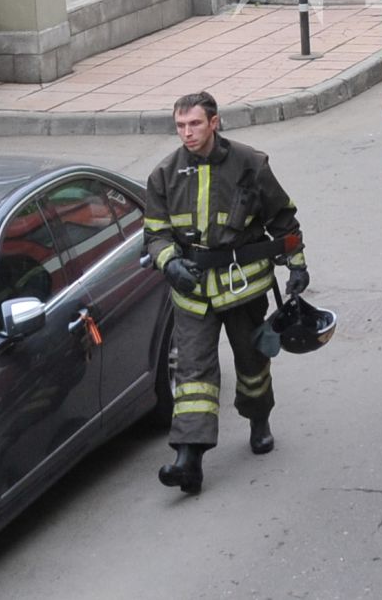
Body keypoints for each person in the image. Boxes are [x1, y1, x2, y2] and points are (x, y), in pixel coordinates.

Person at [144, 91, 310, 494]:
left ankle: (259, 420)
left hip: (243, 287)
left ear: (214, 122)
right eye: (181, 126)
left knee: (252, 364)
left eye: (195, 124)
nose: (187, 133)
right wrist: (169, 261)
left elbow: (283, 218)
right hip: (193, 293)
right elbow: (154, 231)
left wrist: (298, 266)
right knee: (193, 375)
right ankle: (189, 459)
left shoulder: (250, 163)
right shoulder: (163, 175)